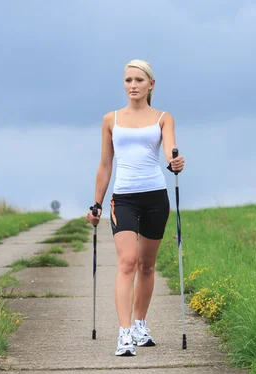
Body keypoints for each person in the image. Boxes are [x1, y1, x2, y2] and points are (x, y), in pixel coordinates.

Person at [86, 59, 185, 357]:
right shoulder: (110, 119)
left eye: (139, 80)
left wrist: (174, 162)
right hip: (124, 198)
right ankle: (124, 333)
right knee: (127, 262)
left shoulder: (163, 117)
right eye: (128, 80)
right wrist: (97, 204)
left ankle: (141, 325)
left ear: (150, 84)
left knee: (147, 265)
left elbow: (170, 151)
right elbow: (105, 165)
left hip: (156, 197)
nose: (133, 85)